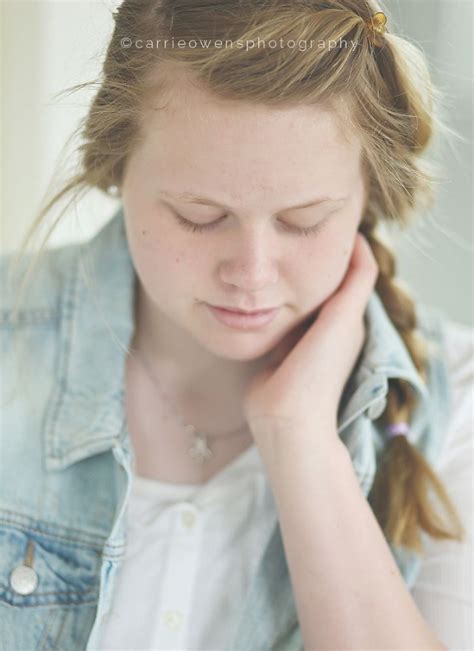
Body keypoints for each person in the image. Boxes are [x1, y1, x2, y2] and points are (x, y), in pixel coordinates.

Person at [1, 1, 472, 650]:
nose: (251, 273)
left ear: (369, 195)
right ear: (115, 166)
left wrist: (300, 438)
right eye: (199, 214)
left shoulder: (453, 401)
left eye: (304, 219)